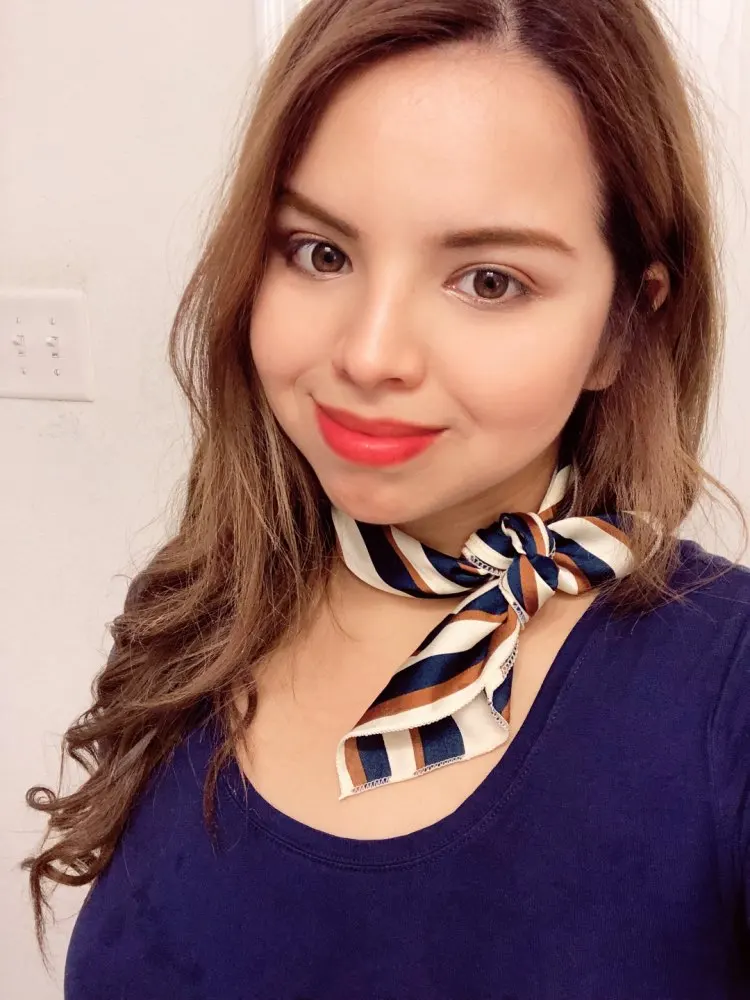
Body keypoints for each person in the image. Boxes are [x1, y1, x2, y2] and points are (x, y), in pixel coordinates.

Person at [22, 0, 750, 996]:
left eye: (488, 281)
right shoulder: (196, 609)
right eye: (320, 253)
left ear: (625, 326)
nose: (368, 355)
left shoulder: (727, 692)